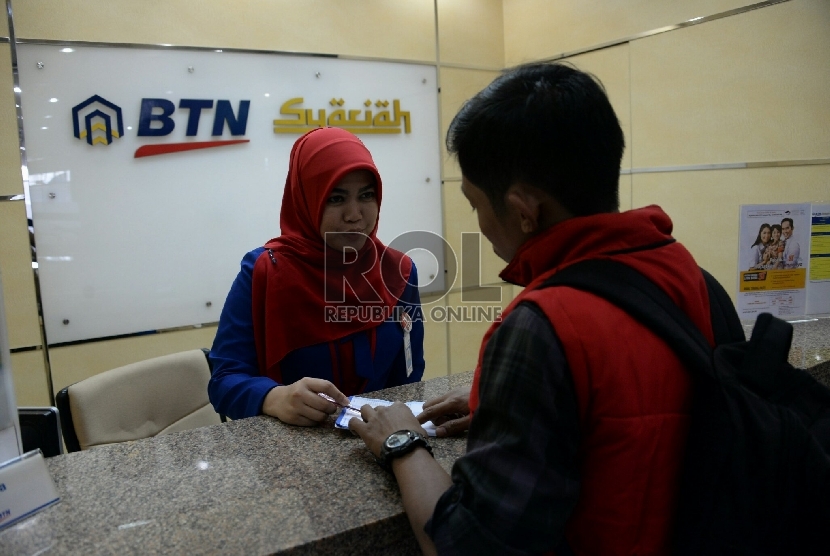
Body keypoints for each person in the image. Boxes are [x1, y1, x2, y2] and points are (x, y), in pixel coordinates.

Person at [348, 62, 715, 555]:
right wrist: (513, 409)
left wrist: (403, 444)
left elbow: (468, 545)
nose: (478, 222)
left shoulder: (540, 326)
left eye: (475, 202)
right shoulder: (684, 270)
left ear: (524, 210)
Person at [209, 127, 425, 425]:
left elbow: (410, 374)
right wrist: (273, 397)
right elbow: (223, 380)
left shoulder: (397, 272)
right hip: (294, 455)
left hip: (384, 446)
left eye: (366, 195)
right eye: (335, 199)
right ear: (307, 200)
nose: (354, 214)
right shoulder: (266, 272)